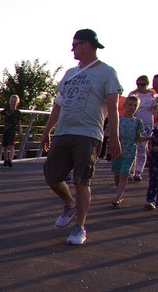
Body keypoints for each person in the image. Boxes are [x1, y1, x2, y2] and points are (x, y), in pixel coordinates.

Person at [41, 29, 121, 246]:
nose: (72, 49)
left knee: (81, 180)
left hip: (88, 134)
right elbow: (58, 105)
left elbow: (113, 108)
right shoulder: (70, 73)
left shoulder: (107, 73)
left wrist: (114, 138)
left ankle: (79, 227)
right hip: (63, 132)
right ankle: (70, 203)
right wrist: (47, 131)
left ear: (87, 45)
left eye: (75, 44)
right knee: (52, 176)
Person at [111, 95, 148, 208]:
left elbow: (138, 139)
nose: (132, 107)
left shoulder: (137, 122)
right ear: (124, 105)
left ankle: (117, 198)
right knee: (117, 174)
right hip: (117, 151)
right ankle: (119, 192)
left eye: (135, 105)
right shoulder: (119, 119)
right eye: (130, 105)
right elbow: (109, 132)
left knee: (124, 174)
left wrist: (149, 138)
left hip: (130, 152)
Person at [130, 75, 156, 181]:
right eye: (138, 84)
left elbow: (155, 109)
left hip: (147, 124)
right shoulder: (133, 94)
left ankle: (138, 172)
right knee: (132, 147)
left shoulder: (152, 94)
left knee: (141, 148)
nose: (140, 86)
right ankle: (130, 170)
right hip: (134, 123)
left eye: (142, 84)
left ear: (147, 84)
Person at [0, 95, 23, 166]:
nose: (13, 103)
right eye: (12, 101)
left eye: (15, 101)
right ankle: (5, 159)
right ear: (9, 102)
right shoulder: (6, 110)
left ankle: (10, 160)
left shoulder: (18, 112)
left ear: (17, 103)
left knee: (11, 145)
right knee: (5, 146)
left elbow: (19, 122)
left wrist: (20, 130)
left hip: (13, 131)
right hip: (6, 130)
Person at [146, 124, 158, 210]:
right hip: (154, 158)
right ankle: (150, 200)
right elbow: (151, 139)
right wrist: (150, 146)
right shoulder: (156, 127)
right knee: (153, 179)